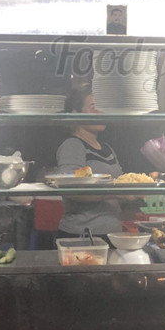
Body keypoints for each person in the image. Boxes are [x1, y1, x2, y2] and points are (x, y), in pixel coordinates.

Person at [54, 86, 125, 240]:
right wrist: (117, 193)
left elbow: (120, 183)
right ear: (76, 114)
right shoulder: (73, 145)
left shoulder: (107, 148)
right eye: (94, 107)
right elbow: (71, 190)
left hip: (112, 233)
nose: (101, 112)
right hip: (84, 235)